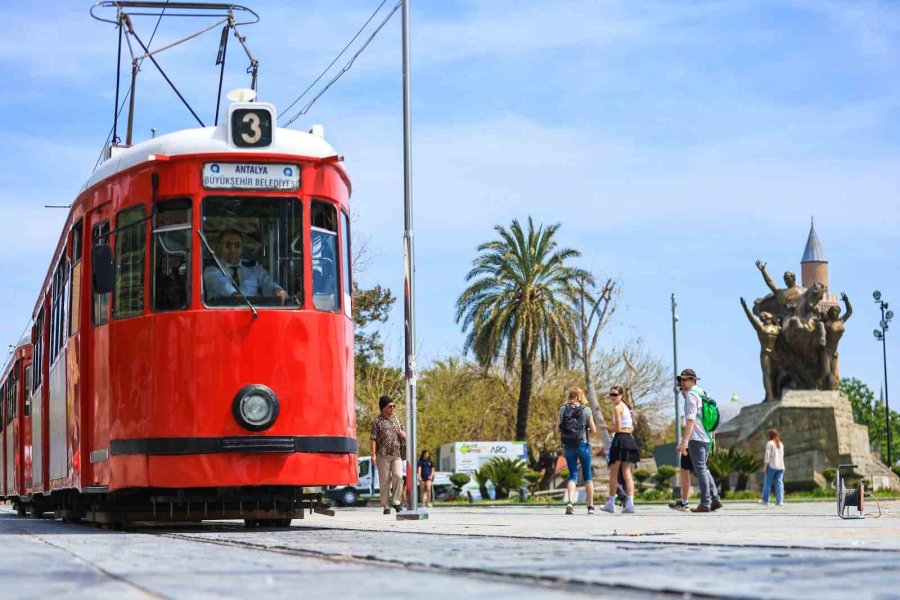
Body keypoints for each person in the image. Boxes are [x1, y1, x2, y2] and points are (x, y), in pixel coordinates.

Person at [674, 369, 723, 513]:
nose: (682, 383)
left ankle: (705, 503)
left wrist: (684, 441)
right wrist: (713, 438)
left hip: (696, 438)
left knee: (701, 470)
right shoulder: (704, 393)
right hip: (706, 437)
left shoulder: (691, 396)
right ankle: (715, 499)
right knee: (704, 469)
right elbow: (712, 419)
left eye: (684, 380)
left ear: (692, 380)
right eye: (680, 380)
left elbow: (691, 420)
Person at [203, 229, 289, 304]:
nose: (233, 249)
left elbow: (268, 283)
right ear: (219, 247)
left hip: (253, 314)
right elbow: (222, 285)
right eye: (228, 245)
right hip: (223, 316)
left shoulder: (255, 268)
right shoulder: (211, 270)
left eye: (237, 245)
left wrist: (277, 290)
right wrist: (236, 296)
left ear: (242, 248)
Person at [600, 386, 640, 514]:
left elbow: (617, 428)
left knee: (613, 472)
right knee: (627, 473)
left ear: (621, 395)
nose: (612, 397)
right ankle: (630, 503)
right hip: (629, 439)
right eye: (610, 395)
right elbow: (628, 427)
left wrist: (607, 427)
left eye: (615, 394)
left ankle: (611, 502)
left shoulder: (617, 408)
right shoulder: (626, 407)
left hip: (620, 440)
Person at [558, 387, 597, 515]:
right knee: (588, 477)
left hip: (568, 445)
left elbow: (558, 427)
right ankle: (590, 507)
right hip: (583, 445)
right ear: (581, 396)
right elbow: (594, 430)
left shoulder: (563, 409)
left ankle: (570, 502)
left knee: (573, 475)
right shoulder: (586, 410)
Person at [370, 395, 406, 514]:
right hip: (383, 454)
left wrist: (403, 434)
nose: (393, 408)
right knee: (384, 480)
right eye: (390, 406)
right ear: (383, 408)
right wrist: (373, 454)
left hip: (397, 454)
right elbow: (373, 438)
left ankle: (396, 502)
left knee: (398, 477)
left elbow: (405, 433)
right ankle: (386, 505)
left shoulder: (397, 419)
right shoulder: (377, 422)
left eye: (394, 406)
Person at [760, 429, 785, 506]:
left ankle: (765, 500)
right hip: (781, 466)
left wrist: (765, 467)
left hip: (772, 466)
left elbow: (767, 456)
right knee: (779, 483)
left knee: (767, 483)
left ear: (770, 435)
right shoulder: (781, 444)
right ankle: (780, 501)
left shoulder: (769, 443)